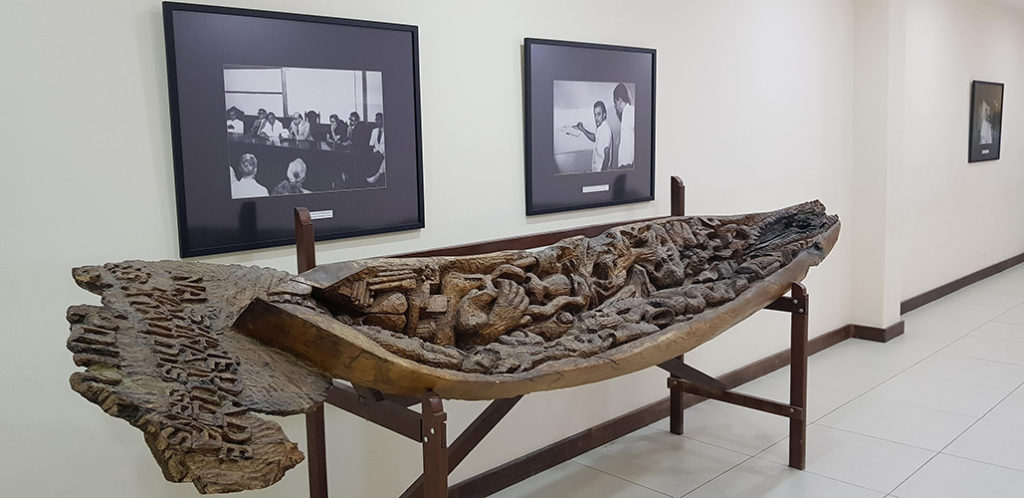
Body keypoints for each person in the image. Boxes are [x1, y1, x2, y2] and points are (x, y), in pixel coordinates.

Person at [574, 101, 613, 172]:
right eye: (595, 115)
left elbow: (607, 158)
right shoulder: (600, 127)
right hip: (597, 170)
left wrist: (601, 175)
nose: (596, 118)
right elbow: (595, 138)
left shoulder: (606, 130)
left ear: (604, 115)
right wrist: (582, 129)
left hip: (601, 171)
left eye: (598, 114)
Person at [612, 83, 634, 169]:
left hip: (628, 165)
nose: (616, 106)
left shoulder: (630, 111)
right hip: (625, 165)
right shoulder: (626, 113)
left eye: (615, 103)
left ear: (619, 100)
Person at [367, 112, 386, 184]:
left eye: (378, 119)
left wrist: (381, 152)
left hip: (383, 152)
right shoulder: (374, 131)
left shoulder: (388, 130)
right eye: (376, 119)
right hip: (375, 152)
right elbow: (371, 144)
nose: (376, 121)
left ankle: (376, 179)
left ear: (383, 120)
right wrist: (371, 152)